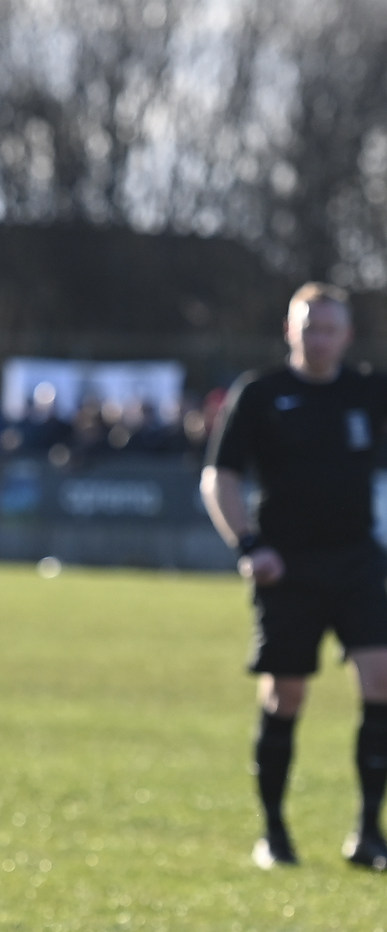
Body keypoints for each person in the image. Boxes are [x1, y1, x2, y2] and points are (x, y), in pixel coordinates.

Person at [202, 281, 387, 872]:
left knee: (381, 680)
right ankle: (274, 834)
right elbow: (220, 477)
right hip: (286, 566)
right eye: (309, 328)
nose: (319, 339)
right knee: (286, 693)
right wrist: (249, 545)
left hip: (358, 560)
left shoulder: (368, 392)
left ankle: (368, 833)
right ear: (289, 330)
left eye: (330, 329)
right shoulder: (260, 394)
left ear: (348, 335)